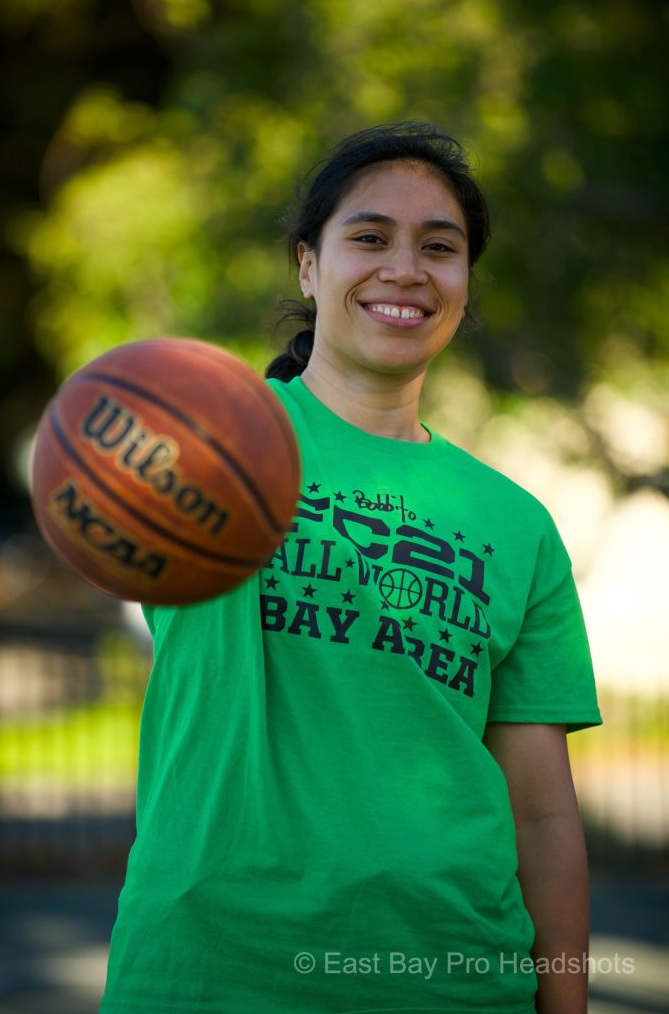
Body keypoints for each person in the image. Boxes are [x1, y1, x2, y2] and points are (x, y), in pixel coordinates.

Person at [100, 121, 602, 1014]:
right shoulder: (214, 436)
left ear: (462, 284)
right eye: (368, 238)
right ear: (307, 267)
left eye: (437, 248)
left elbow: (542, 814)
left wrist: (563, 1006)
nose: (405, 269)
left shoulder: (517, 524)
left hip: (452, 981)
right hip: (211, 971)